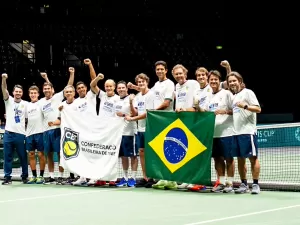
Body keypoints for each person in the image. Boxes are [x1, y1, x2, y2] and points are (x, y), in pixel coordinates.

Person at [193, 70, 235, 193]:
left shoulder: (226, 93)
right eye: (211, 80)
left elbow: (236, 110)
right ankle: (221, 182)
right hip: (213, 133)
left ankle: (230, 183)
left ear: (219, 80)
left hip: (227, 132)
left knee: (229, 158)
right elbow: (205, 112)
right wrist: (198, 106)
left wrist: (225, 111)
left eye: (216, 79)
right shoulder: (209, 96)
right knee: (217, 158)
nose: (213, 81)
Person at [227, 71, 261, 194]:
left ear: (240, 81)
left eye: (234, 81)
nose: (232, 83)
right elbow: (235, 113)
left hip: (248, 132)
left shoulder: (248, 92)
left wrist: (245, 106)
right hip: (236, 133)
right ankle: (244, 184)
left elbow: (258, 109)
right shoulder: (234, 97)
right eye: (230, 81)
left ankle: (256, 184)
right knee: (240, 159)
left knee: (253, 158)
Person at [39, 68, 74, 184]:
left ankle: (60, 176)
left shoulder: (57, 97)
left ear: (52, 90)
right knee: (48, 154)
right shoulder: (40, 102)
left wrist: (71, 73)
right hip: (46, 131)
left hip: (57, 130)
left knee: (59, 153)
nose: (47, 90)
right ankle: (51, 176)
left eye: (48, 88)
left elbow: (69, 85)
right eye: (45, 89)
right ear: (43, 90)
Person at [150, 60, 177, 190]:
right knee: (160, 149)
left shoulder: (170, 84)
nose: (159, 71)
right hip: (157, 121)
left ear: (166, 70)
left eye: (162, 69)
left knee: (169, 150)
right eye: (157, 69)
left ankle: (172, 179)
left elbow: (166, 103)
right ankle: (163, 177)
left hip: (167, 120)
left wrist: (153, 112)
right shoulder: (156, 84)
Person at [125, 73, 156, 188]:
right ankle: (145, 177)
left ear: (147, 82)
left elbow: (148, 113)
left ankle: (152, 177)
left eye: (143, 81)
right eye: (139, 82)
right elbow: (135, 112)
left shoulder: (151, 95)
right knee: (142, 152)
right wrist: (130, 102)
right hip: (140, 129)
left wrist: (133, 119)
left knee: (150, 153)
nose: (141, 83)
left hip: (150, 128)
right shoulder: (138, 96)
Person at [90, 73, 120, 186]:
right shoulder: (102, 95)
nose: (108, 88)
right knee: (101, 153)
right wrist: (98, 78)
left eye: (110, 86)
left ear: (114, 87)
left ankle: (112, 178)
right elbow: (92, 86)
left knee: (112, 154)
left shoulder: (117, 98)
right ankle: (101, 177)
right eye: (106, 86)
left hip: (112, 131)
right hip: (101, 129)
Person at [1, 73, 28, 184]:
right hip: (8, 134)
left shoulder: (26, 104)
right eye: (16, 91)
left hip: (20, 134)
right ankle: (7, 178)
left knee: (23, 157)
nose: (18, 93)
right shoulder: (9, 100)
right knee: (7, 157)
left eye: (20, 92)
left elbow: (26, 120)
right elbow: (3, 88)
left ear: (22, 93)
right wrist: (3, 79)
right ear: (13, 92)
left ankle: (25, 176)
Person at [115, 81, 138, 187]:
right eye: (119, 88)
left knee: (132, 156)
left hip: (130, 132)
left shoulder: (132, 98)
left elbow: (135, 114)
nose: (121, 89)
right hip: (120, 133)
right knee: (124, 156)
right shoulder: (116, 100)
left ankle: (133, 178)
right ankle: (124, 177)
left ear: (126, 89)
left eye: (123, 88)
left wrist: (125, 111)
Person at [26, 85, 47, 184]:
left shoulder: (42, 102)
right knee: (31, 155)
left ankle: (41, 176)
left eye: (35, 93)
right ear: (29, 94)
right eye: (31, 93)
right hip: (29, 134)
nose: (33, 95)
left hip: (40, 133)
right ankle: (34, 176)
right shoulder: (26, 105)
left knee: (40, 154)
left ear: (38, 94)